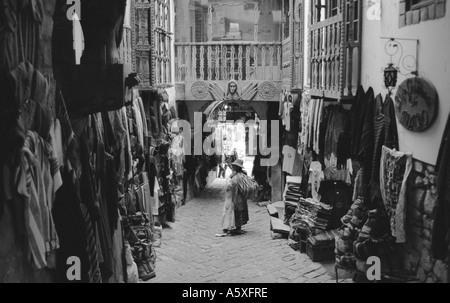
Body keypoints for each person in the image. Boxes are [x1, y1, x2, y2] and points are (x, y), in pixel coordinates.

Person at [221, 159, 250, 236]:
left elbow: (237, 185)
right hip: (235, 196)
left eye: (234, 166)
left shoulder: (240, 175)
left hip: (238, 196)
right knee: (236, 211)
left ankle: (238, 228)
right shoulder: (236, 174)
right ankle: (235, 227)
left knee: (238, 211)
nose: (233, 167)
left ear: (238, 167)